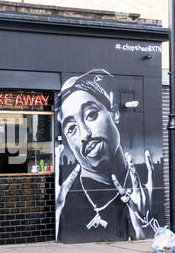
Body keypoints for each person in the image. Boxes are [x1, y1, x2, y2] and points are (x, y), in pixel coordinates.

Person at [55, 69, 161, 243]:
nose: (84, 134)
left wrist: (142, 224)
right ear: (67, 141)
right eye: (71, 128)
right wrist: (58, 213)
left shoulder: (146, 187)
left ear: (114, 112)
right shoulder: (65, 199)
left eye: (90, 115)